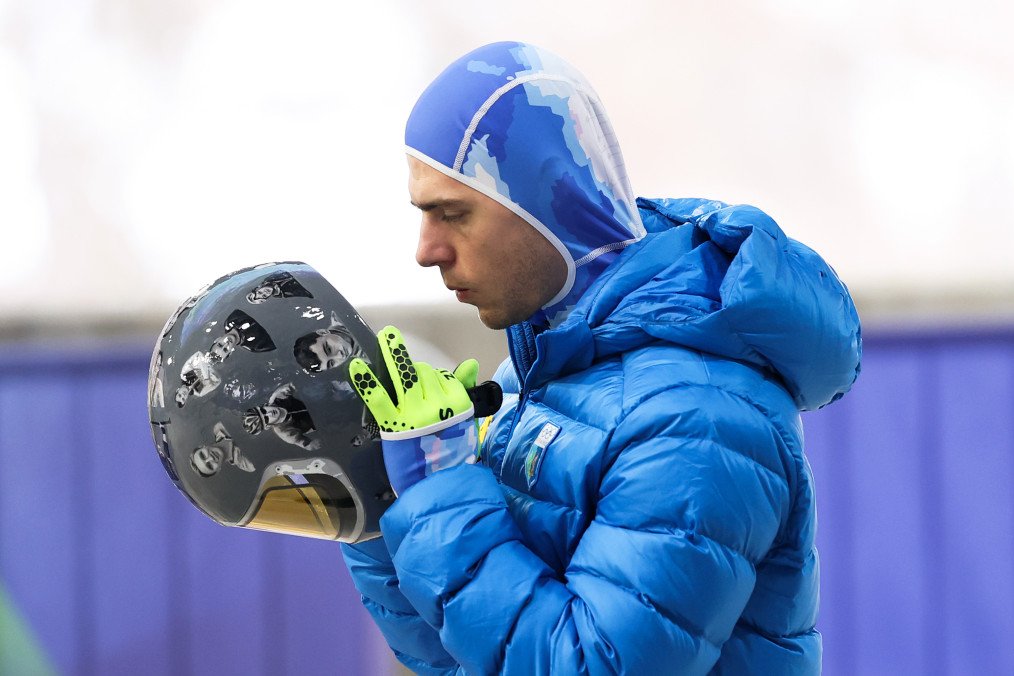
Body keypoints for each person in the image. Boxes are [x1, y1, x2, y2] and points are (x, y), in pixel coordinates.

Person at [341, 41, 861, 675]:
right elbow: (467, 660)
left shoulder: (698, 417)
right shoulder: (536, 381)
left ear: (547, 203)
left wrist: (441, 494)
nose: (426, 250)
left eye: (453, 214)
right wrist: (382, 509)